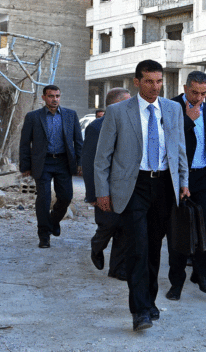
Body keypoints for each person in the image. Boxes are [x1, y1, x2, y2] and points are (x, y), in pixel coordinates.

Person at [94, 59, 189, 331]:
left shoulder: (172, 109)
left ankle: (149, 301)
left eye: (159, 81)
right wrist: (102, 192)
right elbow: (103, 157)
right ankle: (140, 312)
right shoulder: (117, 111)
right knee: (137, 247)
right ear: (137, 82)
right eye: (149, 81)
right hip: (133, 186)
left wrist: (183, 181)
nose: (155, 87)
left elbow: (179, 149)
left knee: (154, 248)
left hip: (163, 187)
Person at [166, 72, 206, 301]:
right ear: (185, 88)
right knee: (178, 231)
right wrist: (187, 120)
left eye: (203, 93)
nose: (199, 98)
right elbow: (167, 140)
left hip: (204, 178)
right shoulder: (171, 106)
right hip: (178, 177)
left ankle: (202, 275)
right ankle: (176, 282)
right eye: (194, 93)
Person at [19, 85, 83, 248]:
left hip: (63, 162)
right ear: (43, 98)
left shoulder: (70, 115)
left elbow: (78, 141)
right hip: (42, 162)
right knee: (44, 198)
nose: (54, 99)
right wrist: (25, 165)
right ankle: (44, 235)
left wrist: (80, 162)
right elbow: (25, 143)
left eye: (57, 96)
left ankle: (53, 221)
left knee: (66, 197)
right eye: (50, 96)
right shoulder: (33, 117)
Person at [83, 87, 131, 279]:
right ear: (114, 105)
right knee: (108, 225)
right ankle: (97, 246)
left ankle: (117, 269)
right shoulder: (96, 127)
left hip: (126, 188)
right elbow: (89, 163)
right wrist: (93, 194)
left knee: (124, 229)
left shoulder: (130, 124)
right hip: (105, 187)